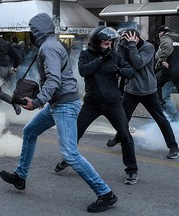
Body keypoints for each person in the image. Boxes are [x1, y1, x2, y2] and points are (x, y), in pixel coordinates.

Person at [0, 13, 117, 213]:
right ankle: (20, 177)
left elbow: (54, 79)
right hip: (58, 103)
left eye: (32, 29)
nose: (31, 33)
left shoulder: (49, 48)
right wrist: (43, 98)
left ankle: (105, 193)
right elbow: (55, 78)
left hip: (64, 105)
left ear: (38, 30)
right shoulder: (51, 44)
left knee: (70, 154)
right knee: (30, 132)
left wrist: (38, 100)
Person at [54, 26, 139, 185]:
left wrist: (120, 70)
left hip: (113, 103)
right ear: (96, 43)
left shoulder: (115, 56)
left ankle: (132, 171)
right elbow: (83, 71)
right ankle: (68, 158)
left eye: (110, 44)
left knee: (125, 135)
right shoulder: (86, 55)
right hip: (92, 104)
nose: (109, 47)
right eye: (105, 44)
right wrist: (101, 60)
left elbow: (131, 72)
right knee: (75, 133)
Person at [104, 29, 179, 159]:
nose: (132, 42)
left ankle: (173, 147)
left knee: (160, 119)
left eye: (134, 40)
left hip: (148, 90)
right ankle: (119, 137)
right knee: (123, 118)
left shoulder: (148, 47)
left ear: (137, 38)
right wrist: (122, 44)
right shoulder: (126, 45)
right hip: (131, 90)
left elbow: (138, 64)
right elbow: (117, 60)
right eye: (129, 41)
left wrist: (131, 45)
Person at [155, 25, 179, 104]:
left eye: (159, 33)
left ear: (162, 32)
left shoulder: (165, 38)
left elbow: (166, 48)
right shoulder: (176, 37)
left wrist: (161, 61)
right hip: (177, 70)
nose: (159, 35)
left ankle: (160, 101)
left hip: (169, 68)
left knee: (155, 82)